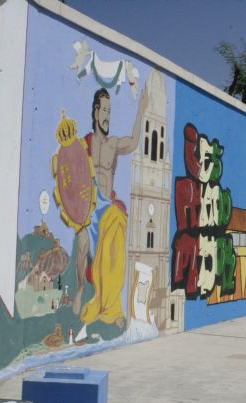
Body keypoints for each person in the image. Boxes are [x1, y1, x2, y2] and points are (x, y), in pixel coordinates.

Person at [70, 87, 147, 327]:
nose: (107, 116)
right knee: (82, 245)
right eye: (104, 110)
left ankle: (111, 309)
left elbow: (133, 143)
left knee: (115, 246)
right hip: (88, 208)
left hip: (107, 209)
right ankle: (80, 288)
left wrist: (141, 110)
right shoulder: (84, 144)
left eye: (110, 112)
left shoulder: (113, 144)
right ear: (95, 112)